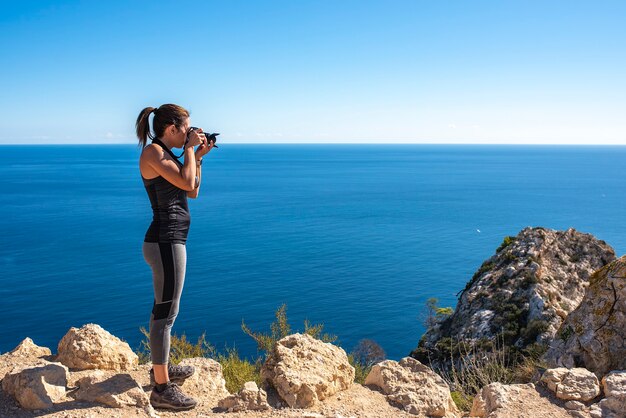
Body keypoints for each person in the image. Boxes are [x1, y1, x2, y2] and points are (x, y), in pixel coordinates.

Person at [136, 104, 213, 410]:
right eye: (187, 129)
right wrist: (191, 152)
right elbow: (185, 181)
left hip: (172, 240)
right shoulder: (153, 153)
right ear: (171, 128)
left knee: (169, 311)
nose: (190, 133)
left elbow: (191, 189)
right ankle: (161, 388)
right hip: (165, 242)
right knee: (164, 314)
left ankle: (162, 368)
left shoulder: (167, 155)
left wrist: (199, 157)